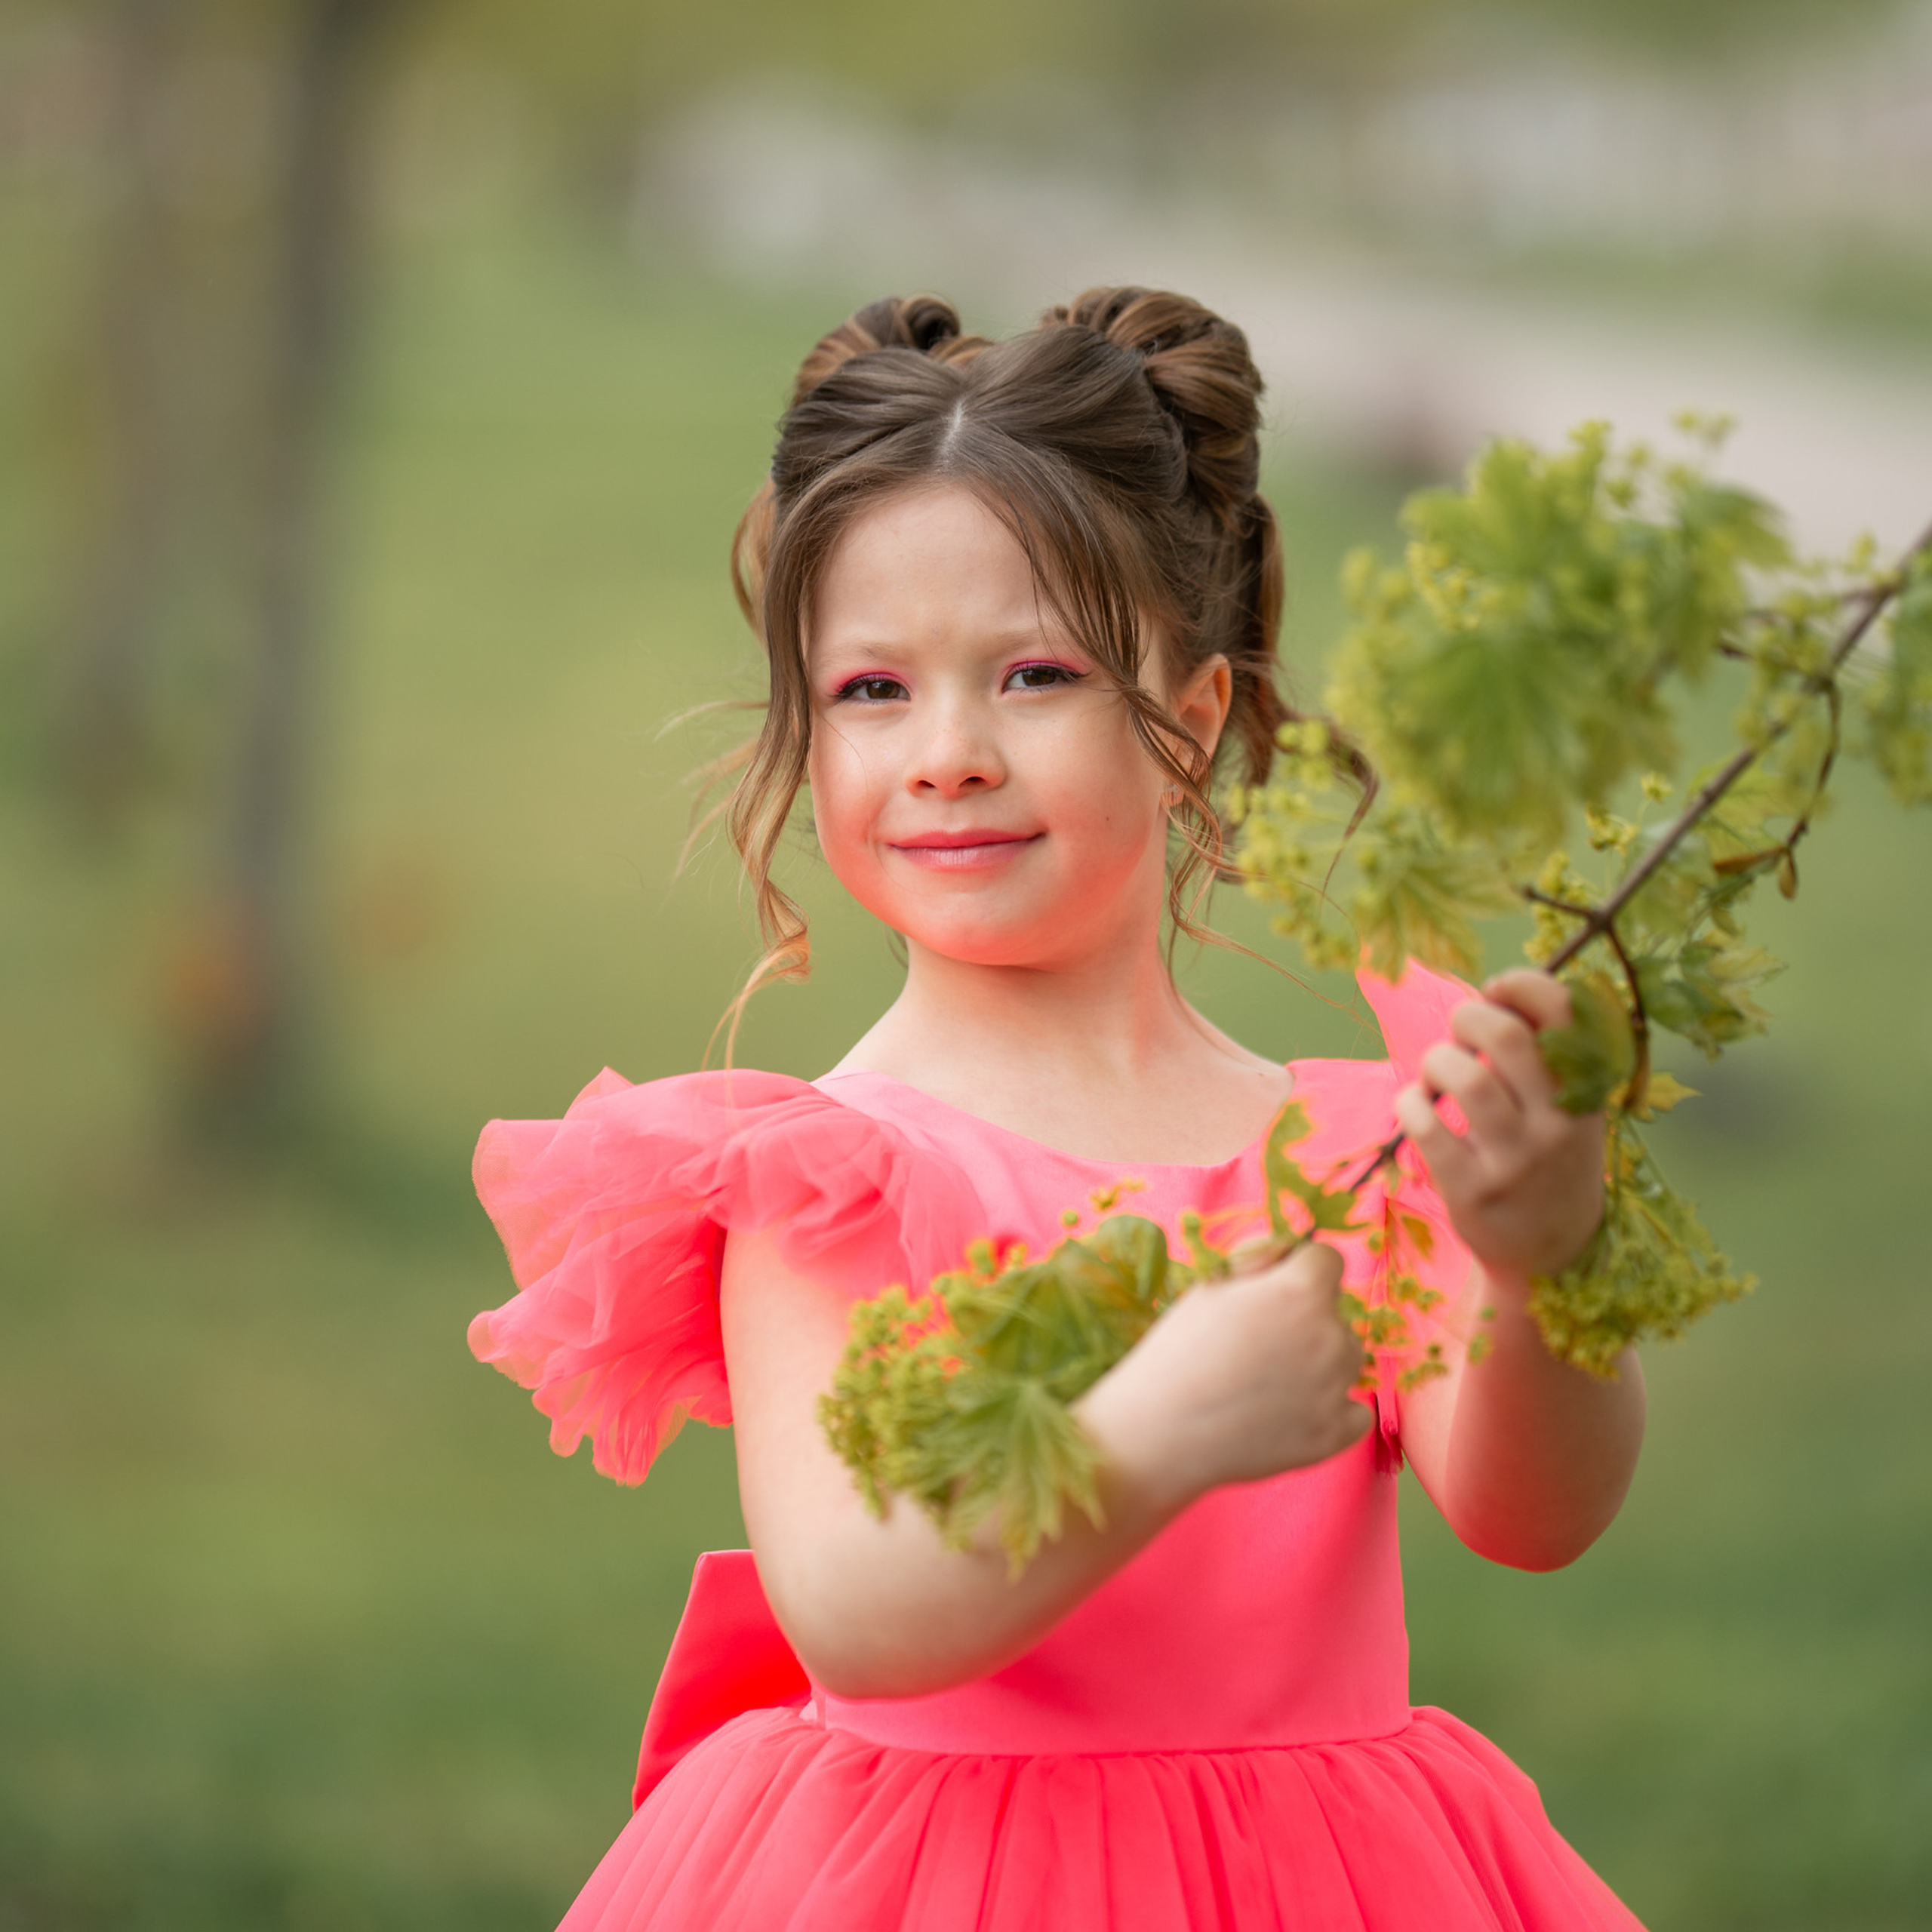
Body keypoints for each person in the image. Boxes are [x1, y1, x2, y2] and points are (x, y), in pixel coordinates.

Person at [468, 288, 1648, 1930]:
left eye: (1033, 673)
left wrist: (1538, 1265)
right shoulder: (831, 1177)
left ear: (1196, 721)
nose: (946, 751)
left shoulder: (1351, 1150)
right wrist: (1161, 1425)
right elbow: (859, 1610)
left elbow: (1530, 1515)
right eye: (872, 690)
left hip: (1318, 1880)